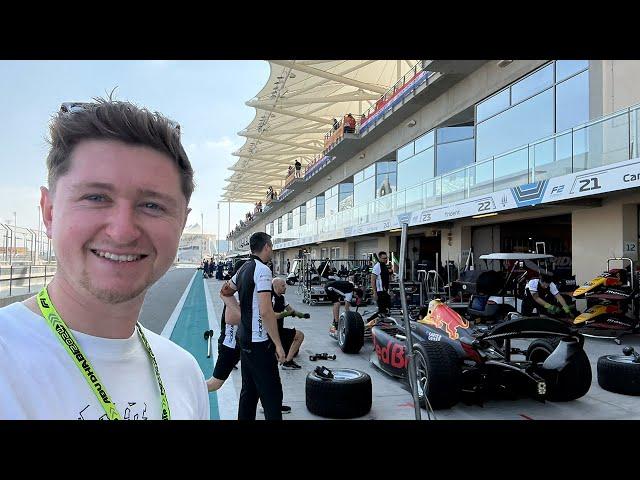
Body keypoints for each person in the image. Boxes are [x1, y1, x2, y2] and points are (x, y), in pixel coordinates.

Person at [0, 98, 209, 420]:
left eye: (152, 205)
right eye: (96, 197)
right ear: (49, 212)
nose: (123, 232)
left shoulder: (184, 372)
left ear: (181, 222)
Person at [223, 231, 286, 421]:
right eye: (271, 246)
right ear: (266, 246)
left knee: (249, 393)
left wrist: (242, 315)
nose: (272, 250)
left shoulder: (243, 268)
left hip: (244, 339)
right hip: (259, 344)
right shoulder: (263, 270)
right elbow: (266, 311)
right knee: (272, 396)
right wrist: (278, 344)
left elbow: (225, 292)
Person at [271, 278, 309, 369]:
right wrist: (286, 314)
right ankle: (287, 362)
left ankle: (286, 360)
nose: (285, 287)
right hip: (271, 332)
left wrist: (302, 315)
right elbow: (272, 315)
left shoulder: (282, 298)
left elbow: (291, 310)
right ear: (275, 287)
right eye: (283, 286)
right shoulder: (271, 298)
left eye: (285, 285)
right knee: (299, 336)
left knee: (296, 350)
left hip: (279, 330)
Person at [369, 251, 392, 324]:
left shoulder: (384, 266)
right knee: (382, 310)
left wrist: (390, 290)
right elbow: (373, 280)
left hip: (385, 291)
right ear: (380, 258)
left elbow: (387, 280)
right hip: (379, 291)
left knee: (387, 308)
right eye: (384, 258)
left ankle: (383, 322)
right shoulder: (377, 267)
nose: (385, 260)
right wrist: (374, 293)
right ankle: (369, 321)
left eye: (386, 258)